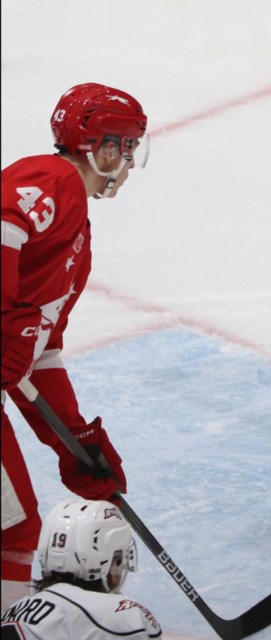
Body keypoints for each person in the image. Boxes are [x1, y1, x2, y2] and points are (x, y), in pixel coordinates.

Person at [1, 83, 149, 608]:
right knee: (14, 536)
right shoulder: (52, 178)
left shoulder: (77, 243)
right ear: (106, 148)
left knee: (12, 530)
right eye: (128, 149)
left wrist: (74, 440)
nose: (129, 164)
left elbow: (38, 353)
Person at [0, 498, 161, 639]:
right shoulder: (124, 617)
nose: (119, 568)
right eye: (117, 562)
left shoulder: (14, 610)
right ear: (103, 562)